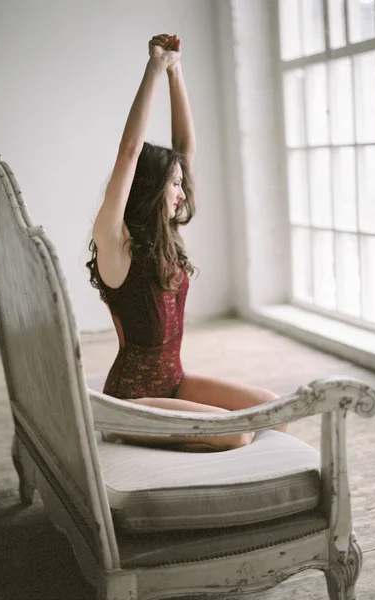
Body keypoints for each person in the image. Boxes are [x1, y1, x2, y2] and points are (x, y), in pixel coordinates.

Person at [87, 33, 287, 451]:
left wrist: (177, 70)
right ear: (150, 189)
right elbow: (128, 152)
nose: (181, 192)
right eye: (173, 185)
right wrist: (155, 68)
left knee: (272, 409)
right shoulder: (116, 244)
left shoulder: (165, 238)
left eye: (181, 183)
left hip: (173, 381)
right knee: (235, 432)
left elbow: (186, 148)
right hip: (131, 401)